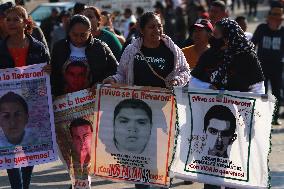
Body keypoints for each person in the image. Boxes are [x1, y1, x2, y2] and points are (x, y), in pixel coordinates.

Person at [104, 12, 190, 189]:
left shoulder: (171, 49)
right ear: (141, 30)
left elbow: (185, 72)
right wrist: (113, 80)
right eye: (151, 26)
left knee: (161, 160)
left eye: (159, 26)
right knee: (140, 159)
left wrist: (176, 81)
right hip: (138, 112)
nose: (157, 30)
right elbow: (122, 73)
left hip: (165, 113)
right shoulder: (132, 50)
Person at [189, 18, 264, 189]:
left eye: (216, 34)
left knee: (234, 175)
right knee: (211, 177)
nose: (212, 37)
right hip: (212, 121)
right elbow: (193, 83)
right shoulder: (209, 55)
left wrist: (250, 112)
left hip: (238, 124)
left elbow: (258, 88)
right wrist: (212, 88)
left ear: (228, 36)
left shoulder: (247, 57)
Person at [0, 5, 50, 189]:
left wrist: (48, 70)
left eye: (16, 19)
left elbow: (48, 70)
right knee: (10, 150)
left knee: (30, 148)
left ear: (25, 22)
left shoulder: (38, 47)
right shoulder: (0, 48)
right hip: (8, 106)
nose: (11, 23)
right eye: (8, 19)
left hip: (33, 104)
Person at [50, 14, 118, 97]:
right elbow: (54, 73)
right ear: (69, 32)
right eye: (75, 35)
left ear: (90, 32)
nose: (78, 39)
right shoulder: (59, 47)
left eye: (83, 35)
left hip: (93, 99)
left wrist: (101, 82)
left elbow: (115, 69)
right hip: (64, 101)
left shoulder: (100, 47)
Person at [251, 7, 284, 125]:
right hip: (261, 67)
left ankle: (275, 117)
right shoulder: (262, 28)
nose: (276, 19)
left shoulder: (282, 31)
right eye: (274, 16)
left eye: (279, 17)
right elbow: (252, 44)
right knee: (262, 93)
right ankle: (261, 116)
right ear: (269, 18)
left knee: (277, 93)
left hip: (277, 67)